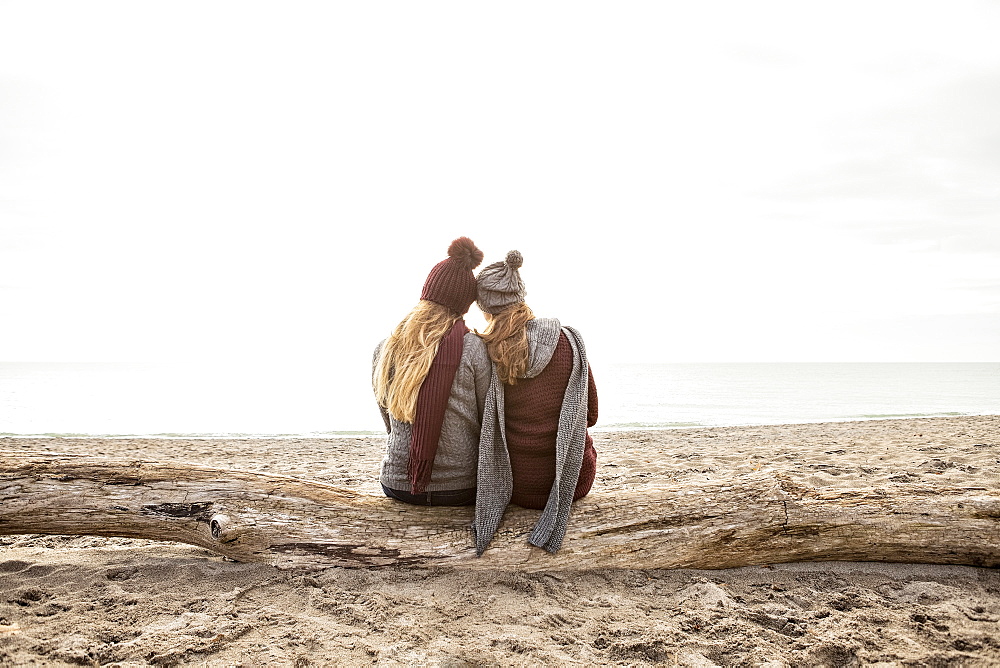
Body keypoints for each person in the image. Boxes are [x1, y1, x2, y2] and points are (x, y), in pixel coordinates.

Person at [473, 250, 598, 554]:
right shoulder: (569, 340)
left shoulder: (486, 351)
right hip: (572, 482)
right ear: (521, 295)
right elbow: (590, 414)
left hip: (515, 487)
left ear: (485, 307)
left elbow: (480, 426)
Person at [372, 237, 492, 506]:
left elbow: (387, 417)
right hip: (459, 487)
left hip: (397, 484)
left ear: (426, 291)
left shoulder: (387, 347)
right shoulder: (472, 347)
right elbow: (487, 417)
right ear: (464, 305)